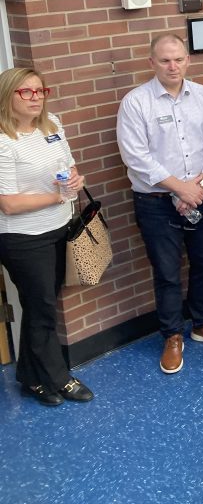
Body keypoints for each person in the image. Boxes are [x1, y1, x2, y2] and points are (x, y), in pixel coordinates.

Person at [116, 33, 203, 374]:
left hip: (202, 194)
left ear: (187, 60)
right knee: (167, 272)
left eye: (178, 59)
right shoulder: (136, 102)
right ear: (151, 63)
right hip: (156, 203)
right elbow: (136, 157)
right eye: (165, 60)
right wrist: (179, 189)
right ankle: (172, 336)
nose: (173, 66)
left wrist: (201, 185)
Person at [0, 68, 94, 406]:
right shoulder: (3, 140)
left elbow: (68, 166)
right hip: (23, 239)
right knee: (42, 307)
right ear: (7, 96)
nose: (36, 98)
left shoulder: (51, 124)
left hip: (58, 227)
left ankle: (30, 377)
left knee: (41, 304)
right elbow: (8, 204)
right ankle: (59, 378)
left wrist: (74, 181)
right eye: (26, 92)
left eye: (40, 91)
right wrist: (58, 196)